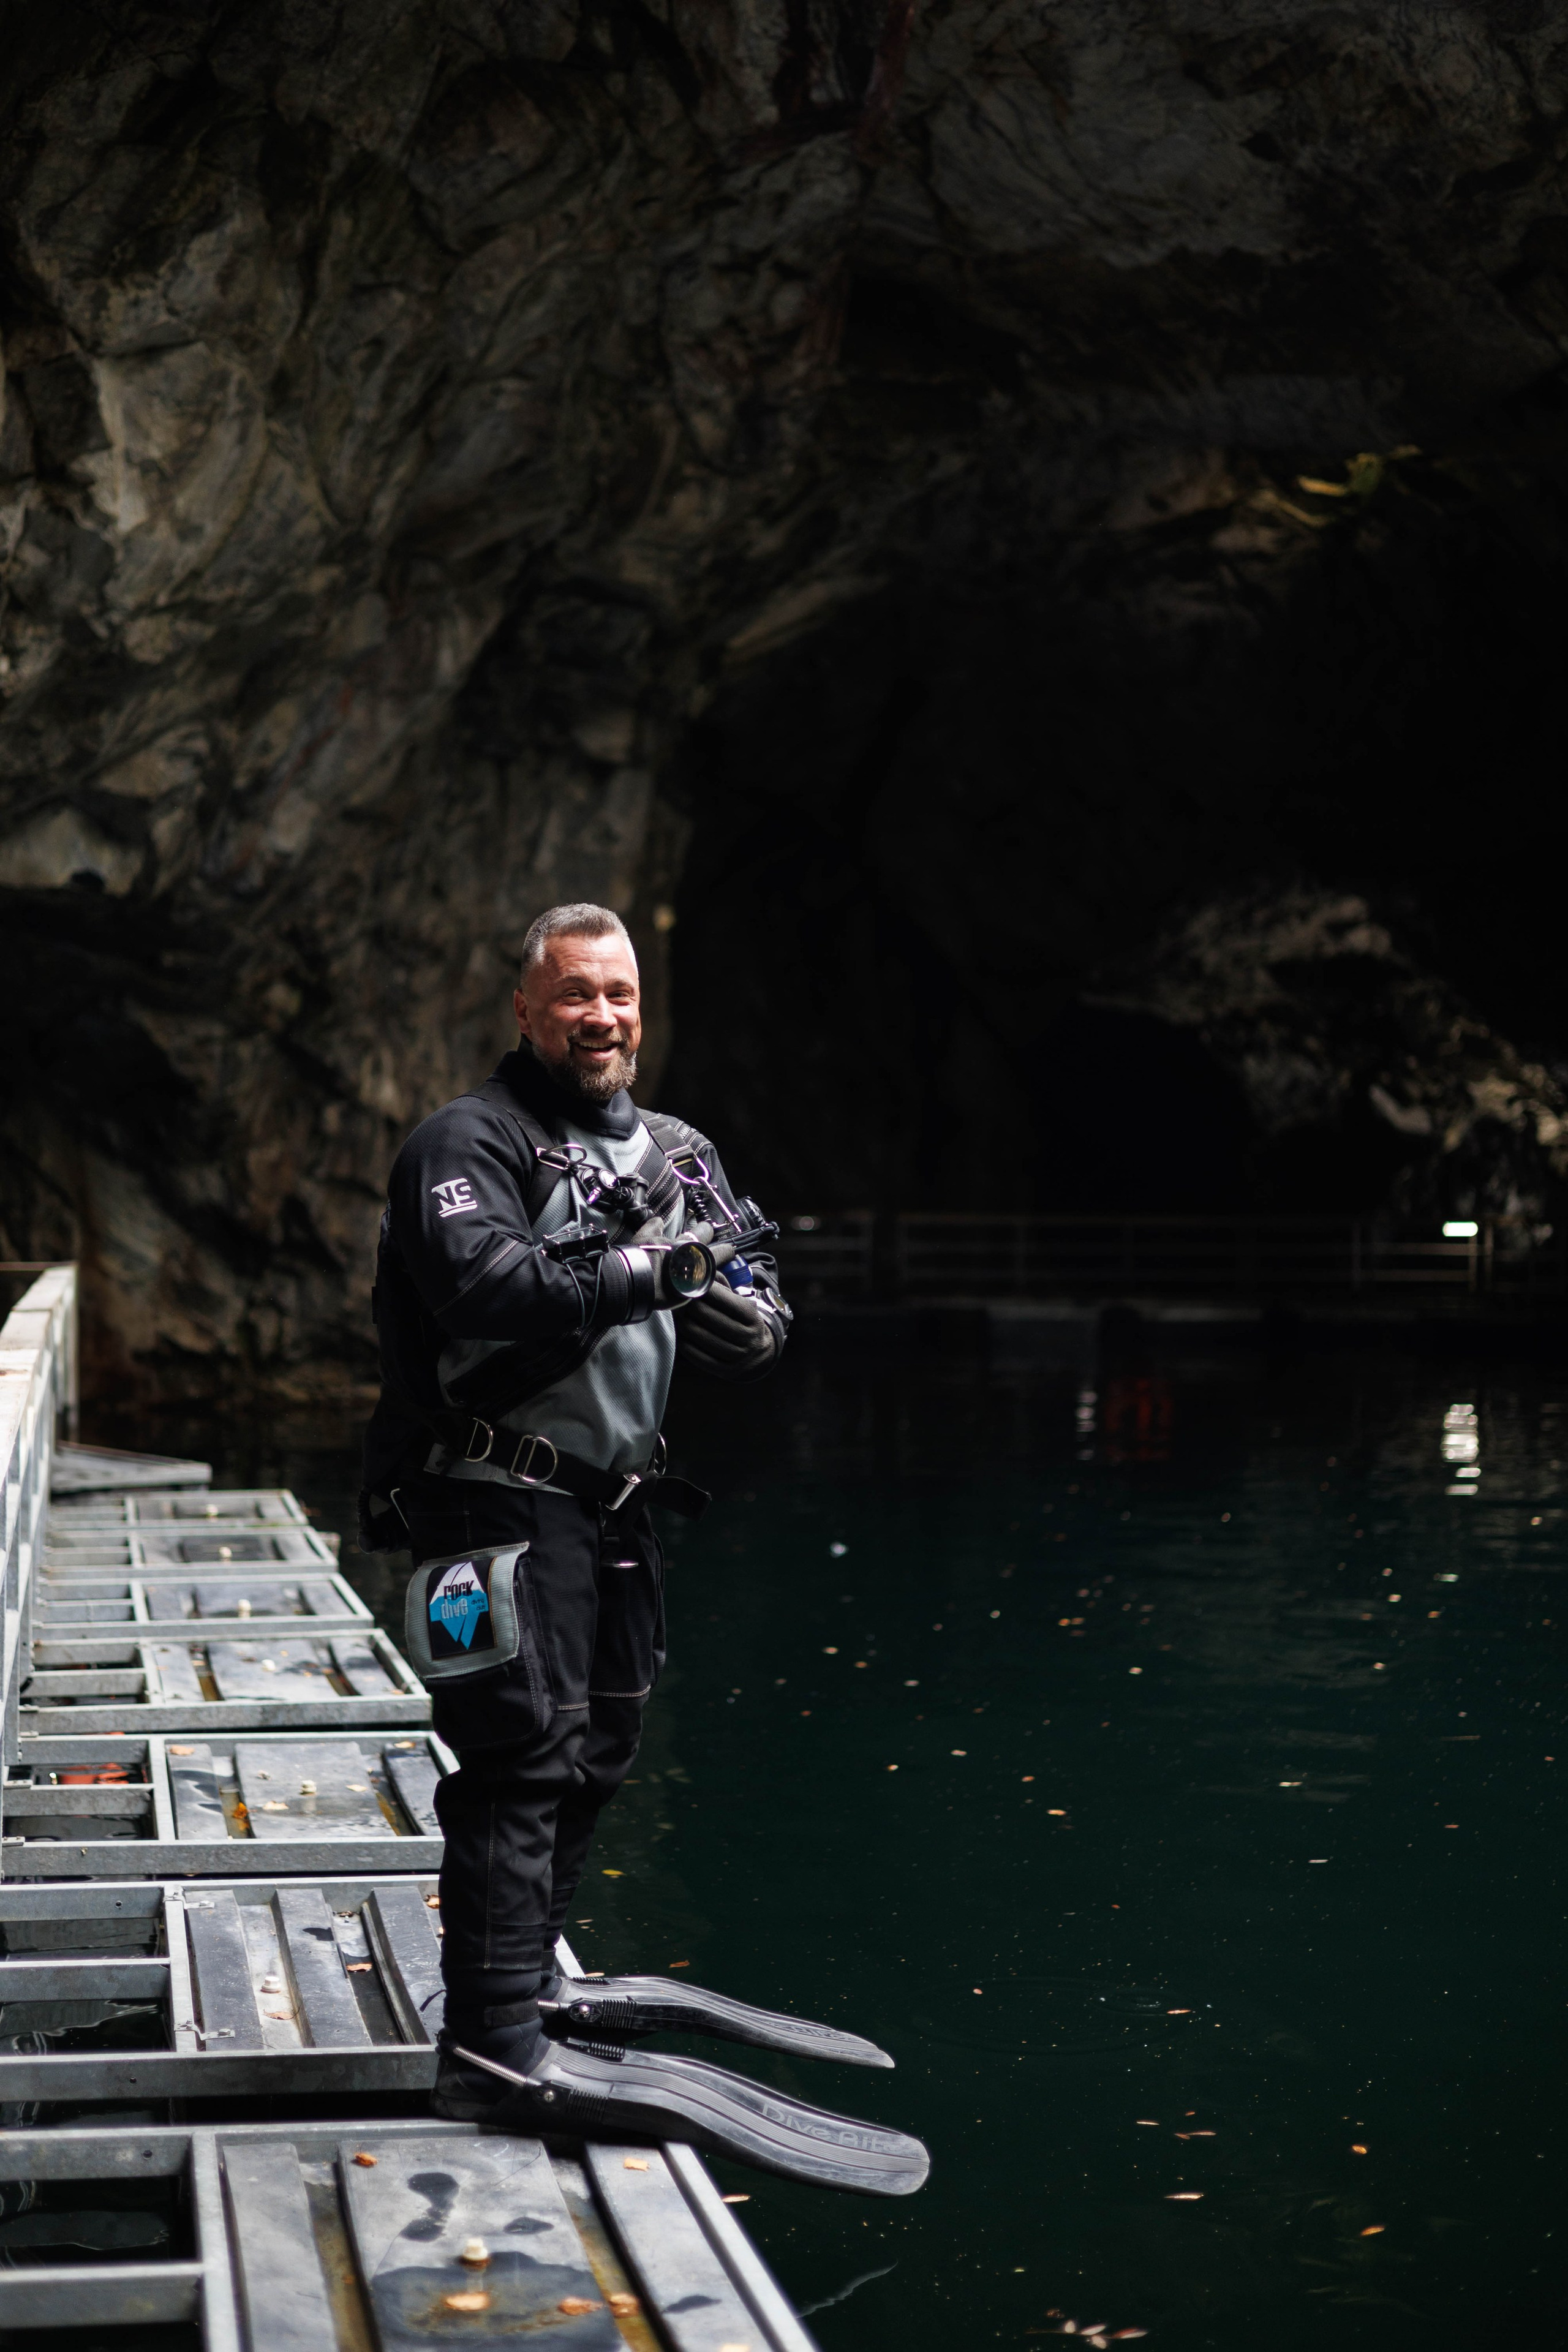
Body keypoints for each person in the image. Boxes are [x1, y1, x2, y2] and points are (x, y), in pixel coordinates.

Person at [361, 903, 928, 2194]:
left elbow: (751, 1259)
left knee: (602, 1744)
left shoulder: (673, 1149)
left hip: (612, 1506)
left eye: (617, 995)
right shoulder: (468, 1142)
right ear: (524, 1010)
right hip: (487, 1498)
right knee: (518, 1751)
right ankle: (492, 2042)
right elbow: (485, 1289)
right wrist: (659, 1275)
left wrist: (752, 1319)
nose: (600, 1019)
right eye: (573, 997)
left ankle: (534, 1985)